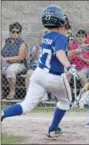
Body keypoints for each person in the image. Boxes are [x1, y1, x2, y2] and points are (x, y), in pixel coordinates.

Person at [1, 5, 82, 140]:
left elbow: (56, 53)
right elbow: (60, 53)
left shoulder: (46, 35)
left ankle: (2, 114)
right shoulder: (61, 37)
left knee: (26, 105)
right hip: (54, 77)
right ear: (59, 20)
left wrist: (78, 51)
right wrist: (68, 67)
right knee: (65, 102)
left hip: (38, 74)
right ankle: (52, 129)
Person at [1, 22, 28, 100]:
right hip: (4, 63)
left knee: (10, 71)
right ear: (10, 32)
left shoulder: (22, 43)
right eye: (13, 31)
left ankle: (12, 92)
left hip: (19, 64)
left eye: (17, 32)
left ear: (20, 33)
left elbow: (20, 57)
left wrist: (6, 59)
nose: (15, 33)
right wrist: (2, 59)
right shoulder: (5, 41)